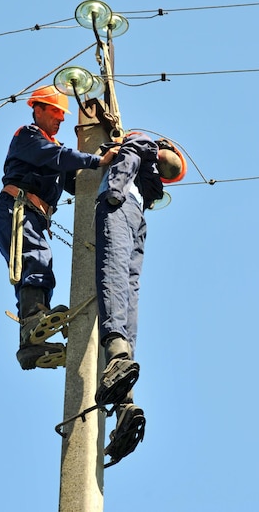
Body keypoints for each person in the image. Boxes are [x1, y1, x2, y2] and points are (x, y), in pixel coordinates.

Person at [0, 85, 119, 371]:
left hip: (31, 214)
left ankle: (31, 344)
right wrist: (97, 159)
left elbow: (73, 178)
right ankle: (34, 319)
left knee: (38, 266)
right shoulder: (29, 136)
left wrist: (106, 163)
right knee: (35, 259)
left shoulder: (54, 149)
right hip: (15, 208)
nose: (61, 119)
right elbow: (57, 158)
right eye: (56, 112)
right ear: (38, 109)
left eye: (62, 114)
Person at [93, 131, 187, 465]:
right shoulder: (149, 165)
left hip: (123, 210)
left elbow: (130, 154)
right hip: (135, 216)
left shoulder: (140, 145)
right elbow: (135, 158)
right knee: (128, 294)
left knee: (114, 277)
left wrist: (114, 191)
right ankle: (124, 404)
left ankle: (118, 359)